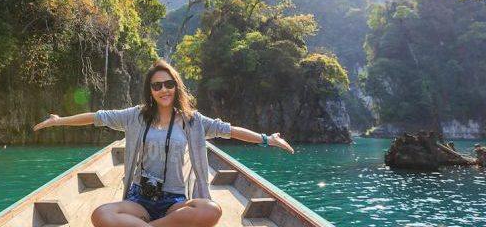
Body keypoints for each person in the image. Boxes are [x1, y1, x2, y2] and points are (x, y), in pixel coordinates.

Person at [33, 59, 294, 227]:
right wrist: (58, 120)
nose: (163, 89)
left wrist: (266, 139)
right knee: (100, 215)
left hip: (174, 203)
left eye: (169, 84)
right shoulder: (135, 116)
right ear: (151, 90)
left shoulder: (193, 121)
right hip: (140, 199)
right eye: (157, 86)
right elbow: (97, 117)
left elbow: (230, 131)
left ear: (176, 87)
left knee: (210, 210)